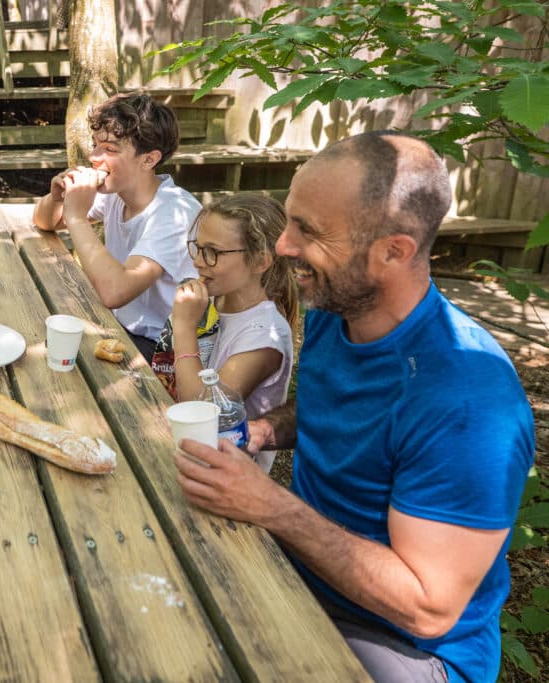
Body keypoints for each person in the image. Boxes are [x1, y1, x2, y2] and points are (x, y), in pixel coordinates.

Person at [172, 131, 534, 683]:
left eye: (309, 231)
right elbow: (324, 410)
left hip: (407, 648)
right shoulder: (333, 310)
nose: (285, 246)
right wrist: (262, 432)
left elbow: (429, 607)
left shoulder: (468, 399)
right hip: (304, 572)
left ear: (394, 250)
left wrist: (272, 507)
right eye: (290, 221)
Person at [32, 92, 201, 361]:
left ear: (149, 159)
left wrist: (76, 217)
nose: (93, 156)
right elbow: (43, 221)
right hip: (120, 327)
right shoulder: (116, 190)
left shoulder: (175, 213)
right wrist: (57, 198)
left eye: (109, 149)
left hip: (165, 350)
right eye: (96, 144)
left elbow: (115, 292)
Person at [160, 194, 297, 472]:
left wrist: (184, 327)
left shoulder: (263, 338)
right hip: (178, 446)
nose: (198, 261)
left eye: (213, 252)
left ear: (260, 261)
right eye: (197, 248)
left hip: (223, 473)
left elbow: (199, 412)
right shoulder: (213, 299)